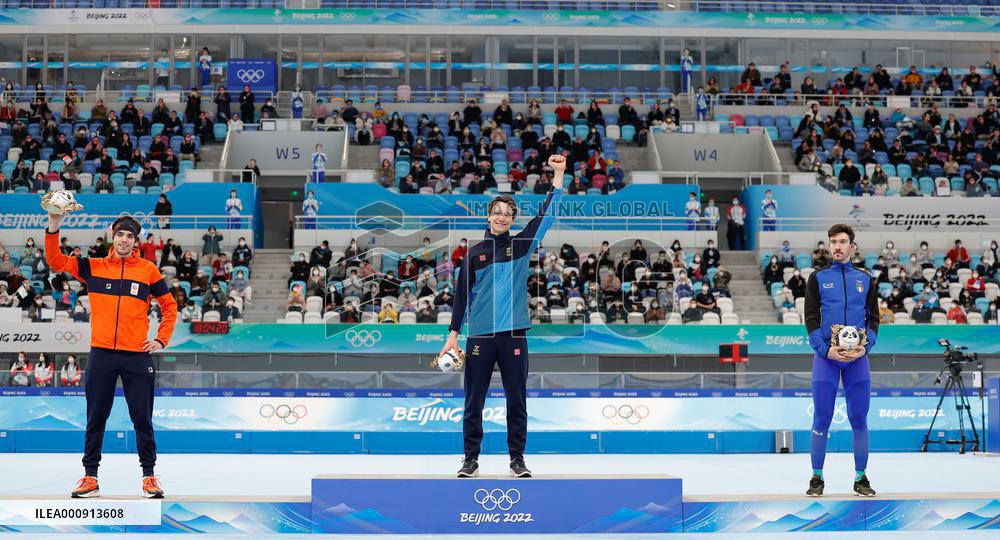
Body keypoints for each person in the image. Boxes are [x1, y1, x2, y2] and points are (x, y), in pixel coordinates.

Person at [441, 155, 565, 479]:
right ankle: (470, 460)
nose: (501, 217)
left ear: (512, 219)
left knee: (517, 402)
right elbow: (461, 296)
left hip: (514, 336)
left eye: (507, 214)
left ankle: (517, 460)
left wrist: (559, 174)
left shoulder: (522, 245)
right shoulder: (474, 253)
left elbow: (547, 215)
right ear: (489, 216)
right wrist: (453, 335)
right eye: (497, 212)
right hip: (479, 336)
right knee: (473, 402)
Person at [45, 212, 176, 499]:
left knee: (142, 419)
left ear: (135, 241)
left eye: (130, 236)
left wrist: (161, 339)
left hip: (136, 355)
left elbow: (169, 306)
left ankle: (149, 476)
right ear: (112, 237)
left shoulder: (148, 270)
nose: (124, 240)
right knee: (96, 418)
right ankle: (90, 477)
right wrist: (54, 224)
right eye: (120, 235)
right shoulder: (93, 267)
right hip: (102, 353)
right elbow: (55, 260)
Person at [803, 224, 878, 498]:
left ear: (852, 246)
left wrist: (865, 347)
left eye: (842, 241)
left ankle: (861, 478)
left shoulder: (865, 279)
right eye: (833, 242)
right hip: (827, 359)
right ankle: (816, 477)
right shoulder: (817, 278)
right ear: (829, 245)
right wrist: (825, 351)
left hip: (857, 360)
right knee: (822, 417)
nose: (837, 246)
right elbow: (811, 319)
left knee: (859, 418)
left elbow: (874, 320)